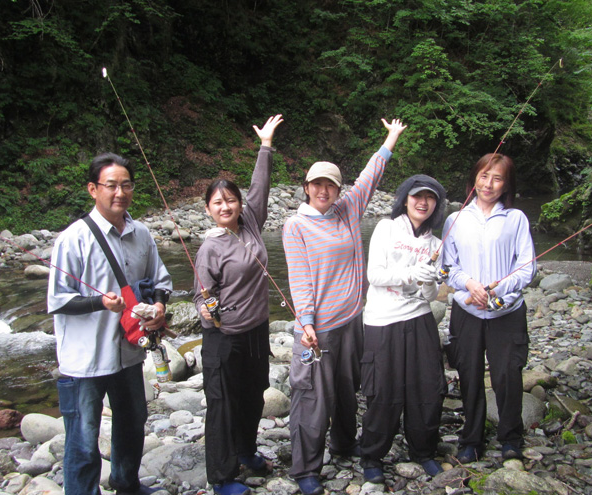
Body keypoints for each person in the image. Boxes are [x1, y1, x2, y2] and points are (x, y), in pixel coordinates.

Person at [282, 118, 407, 495]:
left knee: (348, 389)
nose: (324, 190)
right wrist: (305, 322)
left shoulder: (349, 208)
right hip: (317, 329)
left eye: (330, 184)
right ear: (306, 188)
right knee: (313, 399)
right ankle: (306, 469)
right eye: (317, 184)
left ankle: (343, 443)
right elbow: (299, 278)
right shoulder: (295, 226)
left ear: (339, 189)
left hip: (353, 320)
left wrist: (391, 139)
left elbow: (370, 175)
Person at [47, 152, 172, 495]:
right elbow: (57, 300)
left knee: (133, 423)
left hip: (129, 353)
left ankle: (126, 483)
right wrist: (100, 302)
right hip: (85, 360)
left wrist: (160, 305)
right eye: (111, 185)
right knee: (83, 438)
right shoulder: (73, 239)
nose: (120, 192)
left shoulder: (141, 233)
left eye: (126, 185)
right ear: (93, 189)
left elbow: (159, 279)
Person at [192, 114, 283, 495]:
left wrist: (265, 146)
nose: (225, 206)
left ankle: (247, 451)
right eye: (218, 202)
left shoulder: (251, 223)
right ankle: (222, 477)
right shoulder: (209, 247)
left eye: (230, 199)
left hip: (256, 331)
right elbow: (201, 295)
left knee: (253, 393)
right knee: (222, 404)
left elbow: (260, 186)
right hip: (223, 338)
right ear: (209, 209)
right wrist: (204, 310)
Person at [441, 153, 535, 464]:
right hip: (467, 310)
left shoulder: (516, 219)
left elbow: (526, 268)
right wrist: (470, 285)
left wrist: (496, 288)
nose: (488, 184)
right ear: (474, 179)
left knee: (507, 374)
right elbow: (447, 268)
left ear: (506, 184)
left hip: (506, 311)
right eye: (484, 176)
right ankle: (471, 438)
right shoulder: (455, 220)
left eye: (496, 178)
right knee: (468, 374)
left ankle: (511, 437)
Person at [359, 174, 448, 483]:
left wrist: (428, 280)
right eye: (417, 196)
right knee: (382, 390)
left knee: (427, 387)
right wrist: (412, 272)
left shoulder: (436, 243)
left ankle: (423, 451)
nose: (422, 202)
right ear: (405, 199)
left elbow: (429, 296)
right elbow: (375, 276)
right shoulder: (386, 227)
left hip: (420, 320)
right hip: (383, 321)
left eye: (430, 198)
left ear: (436, 205)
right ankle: (372, 454)